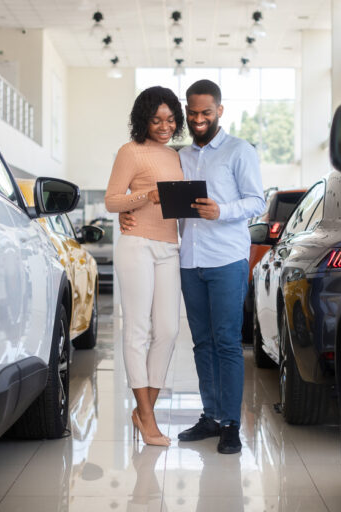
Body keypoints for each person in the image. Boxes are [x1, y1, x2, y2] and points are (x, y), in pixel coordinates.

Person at [121, 80, 265, 454]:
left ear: (220, 110)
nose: (199, 119)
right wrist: (128, 213)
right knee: (202, 343)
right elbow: (152, 194)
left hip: (227, 259)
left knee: (228, 342)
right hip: (189, 260)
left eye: (206, 113)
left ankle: (231, 423)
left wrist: (223, 210)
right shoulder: (180, 156)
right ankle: (212, 416)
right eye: (194, 113)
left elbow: (256, 201)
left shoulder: (239, 151)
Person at [105, 86, 185, 447]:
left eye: (170, 120)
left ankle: (143, 410)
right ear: (144, 120)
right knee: (137, 329)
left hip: (170, 246)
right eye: (156, 120)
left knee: (167, 330)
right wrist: (144, 197)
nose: (164, 126)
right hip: (137, 245)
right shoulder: (130, 151)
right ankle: (147, 416)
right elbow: (112, 201)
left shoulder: (176, 157)